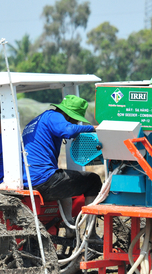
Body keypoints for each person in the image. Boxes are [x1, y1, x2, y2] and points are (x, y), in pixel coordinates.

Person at [22, 94, 102, 227]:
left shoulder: (37, 120)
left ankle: (69, 224)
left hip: (30, 181)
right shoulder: (54, 116)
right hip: (43, 180)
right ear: (69, 115)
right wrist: (93, 128)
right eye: (75, 120)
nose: (76, 123)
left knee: (65, 177)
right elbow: (69, 131)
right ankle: (91, 232)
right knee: (94, 180)